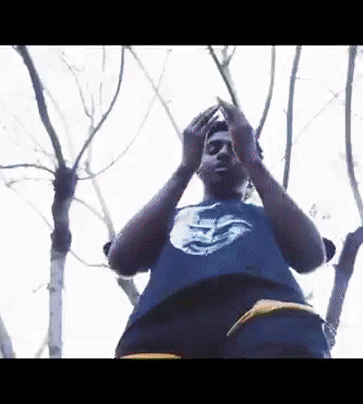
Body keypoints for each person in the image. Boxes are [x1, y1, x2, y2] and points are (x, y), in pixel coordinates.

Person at [106, 99, 335, 358]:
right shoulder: (167, 219)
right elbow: (121, 260)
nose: (223, 153)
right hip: (162, 323)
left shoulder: (272, 217)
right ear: (198, 165)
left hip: (261, 317)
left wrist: (253, 161)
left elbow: (311, 256)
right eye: (212, 148)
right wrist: (184, 169)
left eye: (235, 149)